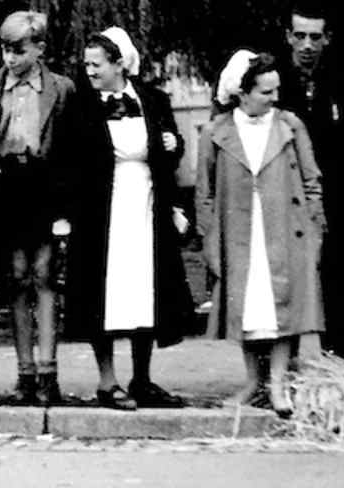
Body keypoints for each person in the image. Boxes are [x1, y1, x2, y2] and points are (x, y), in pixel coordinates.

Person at [64, 29, 195, 411]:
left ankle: (143, 378)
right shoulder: (80, 105)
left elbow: (168, 146)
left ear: (119, 64)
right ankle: (108, 382)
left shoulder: (153, 99)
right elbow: (69, 161)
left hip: (147, 202)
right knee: (102, 292)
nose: (89, 71)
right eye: (86, 64)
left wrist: (174, 144)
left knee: (146, 288)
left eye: (97, 64)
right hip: (101, 210)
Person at [196, 51, 325, 418]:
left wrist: (315, 228)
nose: (274, 98)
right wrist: (209, 236)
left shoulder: (289, 126)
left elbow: (312, 180)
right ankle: (254, 381)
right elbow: (203, 192)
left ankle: (279, 382)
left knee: (283, 305)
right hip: (239, 231)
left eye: (276, 90)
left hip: (285, 228)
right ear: (243, 93)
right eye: (266, 92)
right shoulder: (216, 132)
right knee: (248, 307)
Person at [0, 10, 80, 407]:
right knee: (15, 278)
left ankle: (49, 373)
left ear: (40, 49)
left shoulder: (62, 89)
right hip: (4, 187)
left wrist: (67, 207)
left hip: (45, 187)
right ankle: (25, 373)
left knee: (45, 276)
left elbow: (71, 152)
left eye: (18, 50)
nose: (10, 58)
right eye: (5, 49)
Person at [276, 7, 344, 361]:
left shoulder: (343, 82)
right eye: (300, 36)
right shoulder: (276, 83)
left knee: (335, 275)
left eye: (315, 36)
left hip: (335, 194)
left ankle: (338, 356)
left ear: (327, 39)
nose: (307, 45)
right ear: (288, 37)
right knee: (288, 279)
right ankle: (284, 365)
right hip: (287, 194)